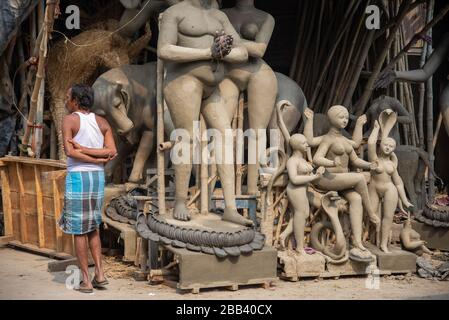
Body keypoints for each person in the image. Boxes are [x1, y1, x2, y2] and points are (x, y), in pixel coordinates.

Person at [59, 84, 117, 293]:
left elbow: (70, 152)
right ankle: (100, 274)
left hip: (78, 177)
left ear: (75, 100)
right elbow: (111, 151)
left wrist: (82, 150)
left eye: (68, 97)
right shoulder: (102, 122)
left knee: (78, 230)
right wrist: (98, 158)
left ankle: (86, 280)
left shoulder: (69, 120)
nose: (66, 100)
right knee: (92, 226)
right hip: (97, 178)